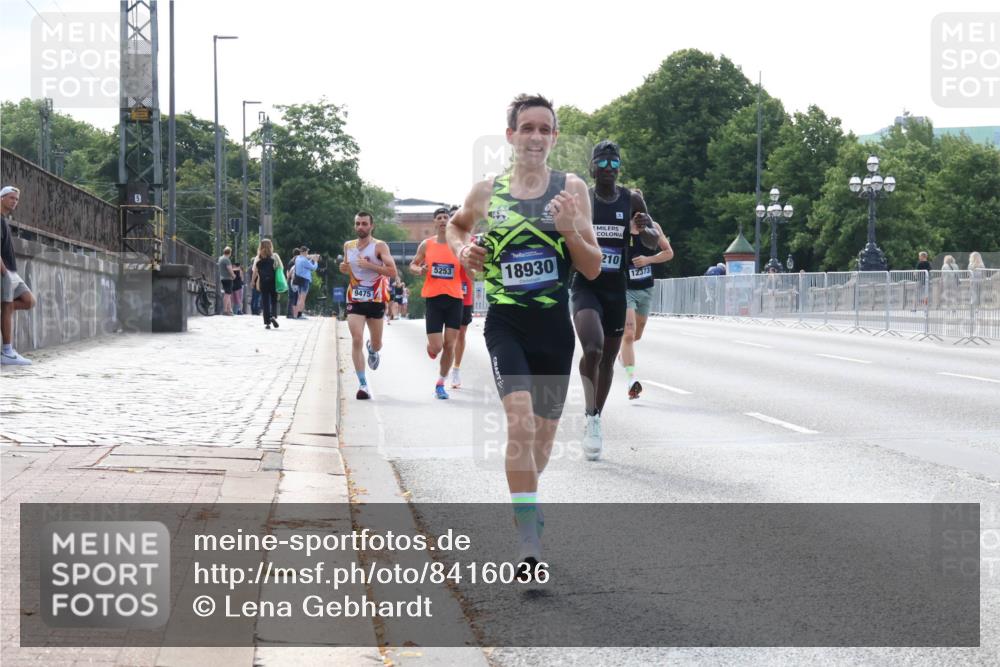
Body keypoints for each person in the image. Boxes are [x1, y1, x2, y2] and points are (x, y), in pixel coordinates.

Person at [446, 94, 601, 574]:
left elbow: (593, 268)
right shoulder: (486, 191)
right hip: (506, 324)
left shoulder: (571, 189)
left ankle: (528, 504)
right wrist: (464, 250)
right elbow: (456, 227)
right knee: (519, 424)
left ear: (554, 137)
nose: (536, 137)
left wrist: (568, 230)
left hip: (554, 328)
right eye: (527, 128)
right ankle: (528, 538)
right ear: (510, 135)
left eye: (544, 129)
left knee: (542, 442)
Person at [570, 141, 657, 460]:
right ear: (592, 167)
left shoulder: (631, 198)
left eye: (614, 164)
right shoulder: (584, 198)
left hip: (615, 289)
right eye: (603, 163)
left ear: (620, 167)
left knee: (607, 358)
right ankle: (589, 410)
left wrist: (643, 229)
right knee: (592, 348)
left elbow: (652, 241)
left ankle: (595, 418)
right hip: (585, 285)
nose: (609, 169)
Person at [341, 211, 398, 399]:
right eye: (357, 223)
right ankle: (363, 384)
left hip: (376, 299)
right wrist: (343, 268)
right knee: (356, 338)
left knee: (377, 343)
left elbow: (392, 271)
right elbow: (348, 268)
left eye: (364, 223)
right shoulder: (348, 246)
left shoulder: (379, 246)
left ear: (372, 226)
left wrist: (370, 266)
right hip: (355, 297)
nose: (360, 227)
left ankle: (372, 350)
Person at [620, 200, 674, 400]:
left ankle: (623, 355)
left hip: (646, 288)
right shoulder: (621, 228)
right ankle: (631, 380)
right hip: (626, 289)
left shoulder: (653, 226)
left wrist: (648, 260)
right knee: (628, 334)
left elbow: (669, 253)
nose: (639, 215)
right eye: (635, 212)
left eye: (641, 211)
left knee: (637, 335)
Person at [410, 207, 465, 399]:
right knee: (437, 347)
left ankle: (440, 383)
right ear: (434, 222)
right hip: (434, 299)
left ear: (450, 221)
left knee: (450, 345)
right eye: (439, 218)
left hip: (455, 299)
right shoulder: (426, 244)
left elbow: (469, 265)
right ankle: (431, 348)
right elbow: (413, 264)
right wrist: (419, 270)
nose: (442, 220)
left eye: (445, 217)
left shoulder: (458, 244)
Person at [1, 186, 36, 366]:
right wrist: (4, 272)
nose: (14, 201)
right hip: (4, 271)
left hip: (12, 271)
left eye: (16, 199)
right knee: (7, 306)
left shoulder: (4, 219)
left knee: (29, 301)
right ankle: (7, 352)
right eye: (11, 198)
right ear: (1, 198)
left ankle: (4, 314)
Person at [251, 239, 280, 330]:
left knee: (265, 301)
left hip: (263, 282)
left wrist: (253, 281)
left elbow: (255, 271)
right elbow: (279, 268)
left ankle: (267, 322)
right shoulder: (274, 256)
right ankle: (273, 316)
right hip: (273, 281)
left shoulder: (258, 258)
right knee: (274, 300)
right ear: (271, 246)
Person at [292, 246, 320, 319]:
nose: (308, 253)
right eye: (307, 251)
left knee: (299, 298)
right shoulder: (304, 260)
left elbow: (306, 265)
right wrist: (316, 261)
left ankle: (297, 314)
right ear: (304, 252)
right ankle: (300, 314)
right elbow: (313, 268)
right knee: (302, 298)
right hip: (305, 280)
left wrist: (311, 259)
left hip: (299, 279)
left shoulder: (298, 258)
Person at [218, 246, 236, 315]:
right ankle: (225, 310)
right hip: (228, 278)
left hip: (222, 278)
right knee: (227, 294)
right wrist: (233, 275)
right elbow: (229, 269)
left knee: (228, 294)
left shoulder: (220, 258)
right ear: (230, 253)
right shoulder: (226, 260)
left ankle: (229, 310)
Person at [286, 247, 300, 319]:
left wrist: (287, 279)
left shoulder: (290, 261)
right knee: (295, 297)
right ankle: (294, 313)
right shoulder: (296, 261)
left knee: (290, 297)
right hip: (295, 281)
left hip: (290, 280)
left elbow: (287, 271)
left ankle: (289, 313)